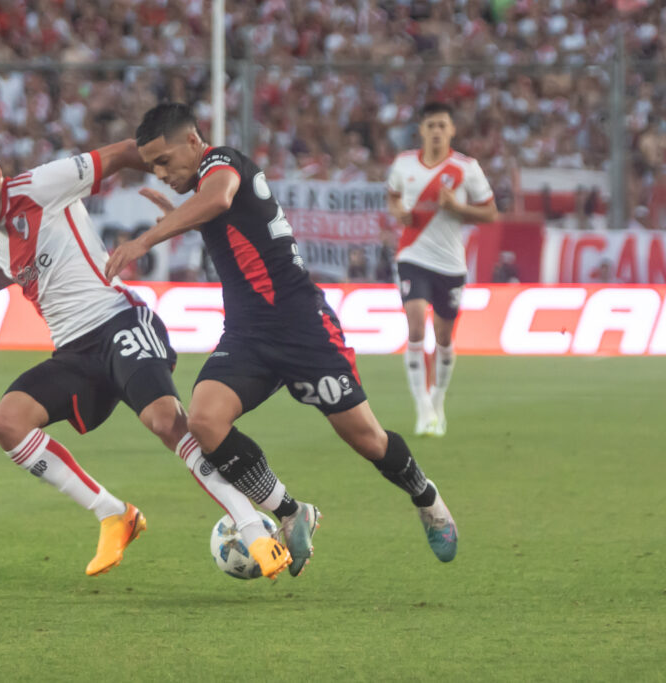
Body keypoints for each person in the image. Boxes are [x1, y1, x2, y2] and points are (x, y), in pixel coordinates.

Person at [0, 137, 296, 579]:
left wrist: (191, 180)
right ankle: (114, 514)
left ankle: (252, 528)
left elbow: (127, 150)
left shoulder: (42, 185)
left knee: (166, 422)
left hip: (120, 321)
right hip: (75, 351)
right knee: (7, 422)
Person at [106, 103, 458, 564]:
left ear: (193, 142)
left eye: (164, 161)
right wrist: (176, 213)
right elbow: (218, 215)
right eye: (151, 166)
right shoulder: (203, 184)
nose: (159, 172)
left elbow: (216, 200)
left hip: (303, 329)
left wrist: (143, 241)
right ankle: (291, 512)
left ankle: (427, 499)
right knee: (205, 422)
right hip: (248, 335)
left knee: (367, 439)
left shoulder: (223, 163)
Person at [386, 102, 498, 437]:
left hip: (450, 263)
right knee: (416, 323)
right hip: (412, 255)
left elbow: (490, 213)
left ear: (451, 130)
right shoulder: (404, 163)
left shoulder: (467, 168)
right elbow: (393, 197)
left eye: (442, 125)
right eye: (430, 125)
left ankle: (438, 400)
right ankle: (421, 408)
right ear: (421, 130)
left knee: (445, 336)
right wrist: (399, 213)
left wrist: (457, 207)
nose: (436, 131)